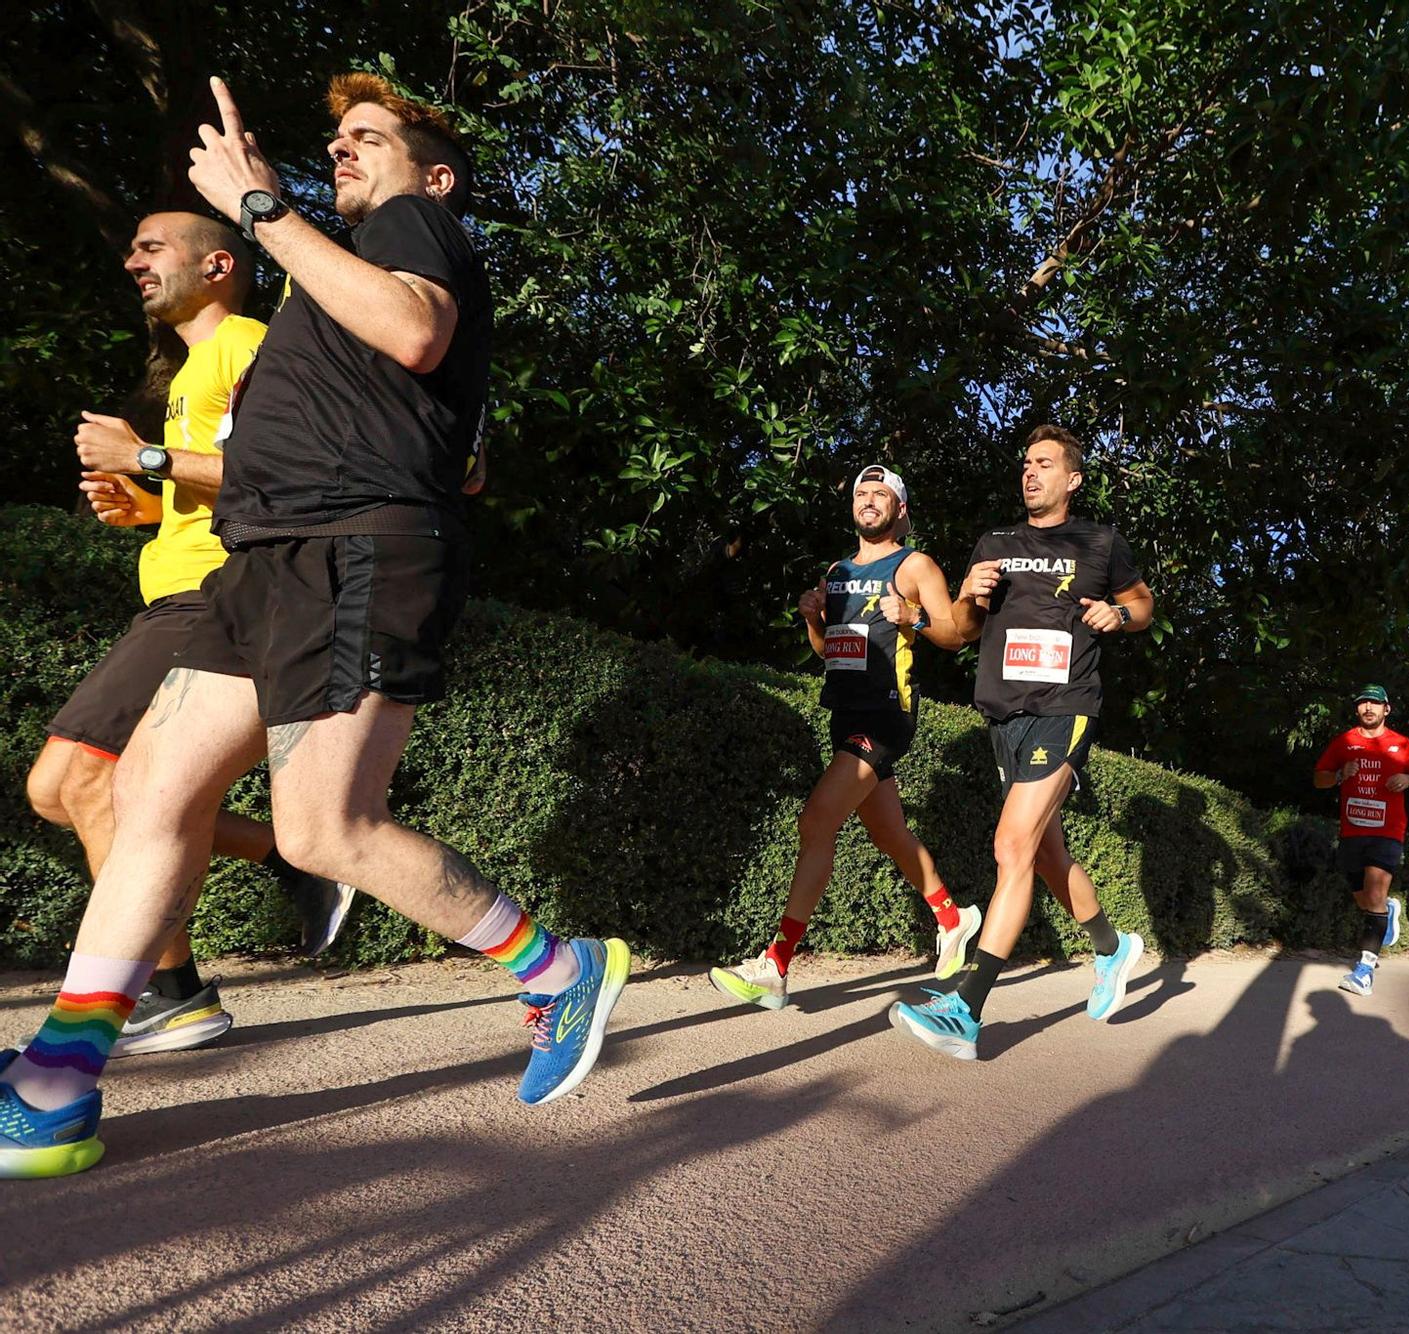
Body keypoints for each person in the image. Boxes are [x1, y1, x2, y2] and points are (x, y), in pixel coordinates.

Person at [2, 74, 625, 1180]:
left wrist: (259, 206)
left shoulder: (417, 223)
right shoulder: (321, 272)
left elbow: (418, 330)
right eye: (334, 139)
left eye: (368, 138)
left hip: (354, 554)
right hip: (259, 566)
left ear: (435, 174)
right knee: (147, 791)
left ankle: (557, 967)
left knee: (321, 828)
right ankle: (55, 1082)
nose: (342, 151)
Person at [26, 211, 355, 1058]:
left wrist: (142, 459)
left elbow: (286, 472)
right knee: (62, 790)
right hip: (177, 592)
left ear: (217, 264)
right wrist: (144, 507)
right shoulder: (192, 369)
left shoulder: (246, 342)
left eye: (150, 247)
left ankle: (174, 993)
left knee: (87, 783)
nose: (130, 260)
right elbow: (216, 487)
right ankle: (294, 857)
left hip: (212, 598)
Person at [888, 425, 1153, 1060]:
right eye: (1026, 464)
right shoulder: (995, 544)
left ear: (1073, 479)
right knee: (1042, 855)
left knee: (1011, 844)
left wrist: (1118, 615)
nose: (1030, 473)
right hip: (1004, 715)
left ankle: (966, 1010)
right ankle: (1113, 947)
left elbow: (1142, 603)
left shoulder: (1100, 541)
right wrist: (962, 603)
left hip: (1066, 707)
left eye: (1044, 464)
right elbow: (960, 631)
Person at [710, 466, 980, 1010]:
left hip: (885, 716)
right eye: (863, 493)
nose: (870, 501)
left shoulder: (914, 564)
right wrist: (813, 620)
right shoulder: (834, 571)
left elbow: (954, 634)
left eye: (882, 494)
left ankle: (776, 965)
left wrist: (913, 615)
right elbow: (828, 651)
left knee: (816, 820)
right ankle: (954, 917)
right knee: (889, 832)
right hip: (844, 713)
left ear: (900, 510)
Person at [1314, 686, 1409, 996]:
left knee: (1376, 894)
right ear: (1357, 710)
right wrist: (1340, 774)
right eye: (1363, 703)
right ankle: (1388, 913)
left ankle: (1365, 970)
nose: (1369, 707)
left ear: (1386, 709)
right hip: (1352, 831)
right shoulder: (1345, 742)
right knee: (1365, 900)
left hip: (1387, 832)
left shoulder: (1402, 745)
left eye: (1375, 703)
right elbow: (1319, 778)